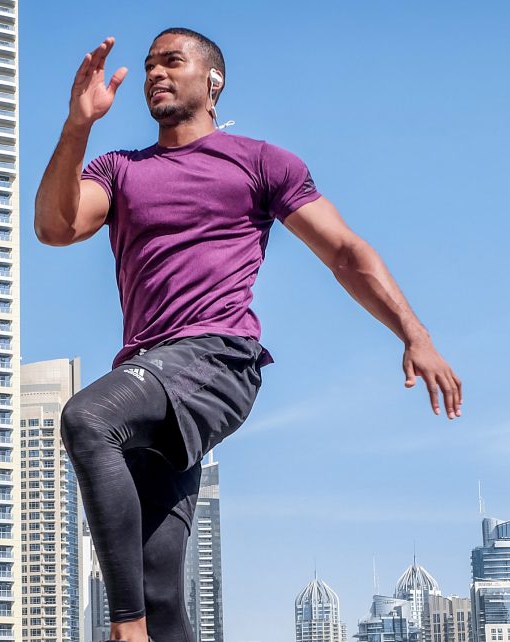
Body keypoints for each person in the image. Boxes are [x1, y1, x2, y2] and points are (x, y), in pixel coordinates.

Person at [34, 28, 463, 642]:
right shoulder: (119, 170)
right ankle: (145, 621)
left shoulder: (260, 162)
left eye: (172, 62)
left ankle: (124, 630)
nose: (155, 73)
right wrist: (78, 126)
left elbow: (344, 252)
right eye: (150, 64)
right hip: (151, 375)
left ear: (213, 82)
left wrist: (413, 333)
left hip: (217, 359)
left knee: (86, 418)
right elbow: (54, 226)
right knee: (161, 591)